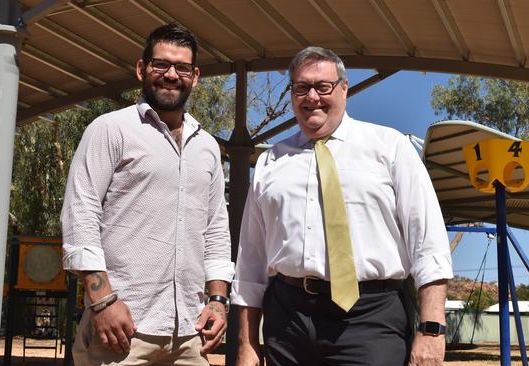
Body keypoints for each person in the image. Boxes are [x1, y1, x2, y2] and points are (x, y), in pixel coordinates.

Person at [231, 46, 453, 366]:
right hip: (287, 321)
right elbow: (251, 262)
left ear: (344, 88)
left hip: (370, 318)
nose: (312, 97)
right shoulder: (270, 162)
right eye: (301, 87)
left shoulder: (390, 148)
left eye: (323, 87)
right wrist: (247, 344)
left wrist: (432, 330)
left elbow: (428, 243)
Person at [61, 24, 234, 366]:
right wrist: (102, 301)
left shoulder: (208, 147)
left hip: (190, 333)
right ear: (142, 69)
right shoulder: (111, 129)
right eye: (161, 65)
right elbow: (80, 213)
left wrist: (217, 300)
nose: (171, 75)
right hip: (121, 330)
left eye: (182, 67)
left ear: (195, 76)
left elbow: (215, 229)